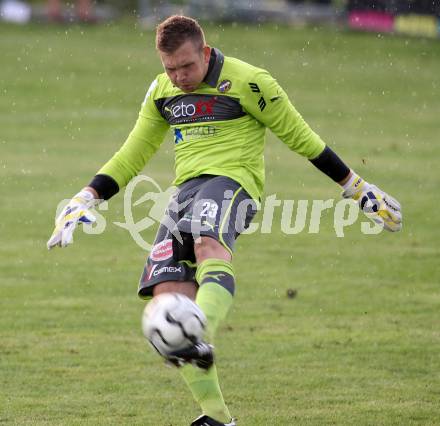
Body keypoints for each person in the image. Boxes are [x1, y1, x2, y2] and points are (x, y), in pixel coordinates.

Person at [47, 15, 402, 426]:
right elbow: (132, 154)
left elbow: (300, 136)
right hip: (185, 192)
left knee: (206, 245)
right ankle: (217, 417)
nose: (179, 76)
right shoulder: (162, 92)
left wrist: (355, 186)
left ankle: (199, 334)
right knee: (167, 298)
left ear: (206, 51)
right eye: (170, 68)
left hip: (233, 183)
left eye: (186, 66)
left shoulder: (250, 81)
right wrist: (86, 196)